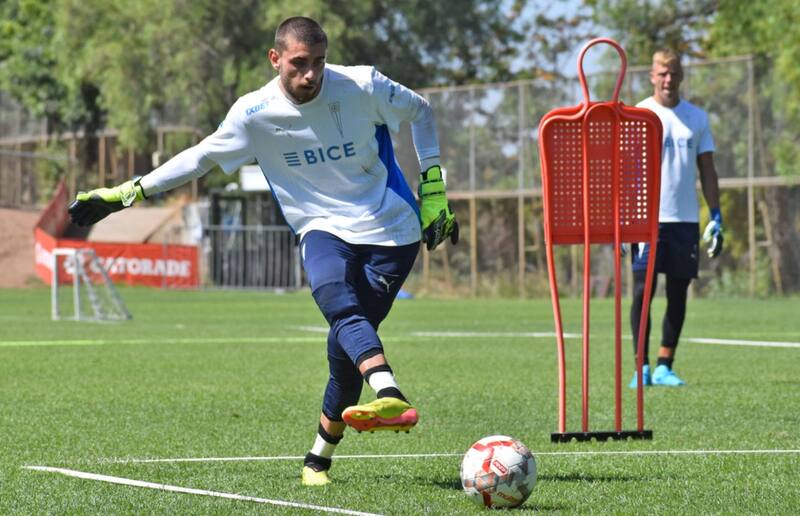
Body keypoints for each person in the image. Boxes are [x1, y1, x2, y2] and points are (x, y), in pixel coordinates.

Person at [68, 16, 458, 486]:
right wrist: (128, 192)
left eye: (319, 62)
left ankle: (318, 458)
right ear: (275, 59)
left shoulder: (362, 85)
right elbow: (199, 158)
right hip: (321, 227)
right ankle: (389, 391)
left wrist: (433, 187)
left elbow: (421, 111)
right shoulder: (253, 114)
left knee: (344, 348)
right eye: (299, 63)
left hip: (391, 231)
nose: (311, 74)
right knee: (334, 297)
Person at [628, 48, 723, 388]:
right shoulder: (639, 114)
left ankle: (665, 365)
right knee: (643, 290)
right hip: (646, 219)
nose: (668, 79)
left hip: (684, 220)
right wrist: (624, 218)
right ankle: (641, 367)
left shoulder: (697, 118)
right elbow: (626, 170)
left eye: (674, 73)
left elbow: (707, 169)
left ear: (681, 76)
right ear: (652, 76)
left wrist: (716, 214)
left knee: (678, 292)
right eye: (662, 73)